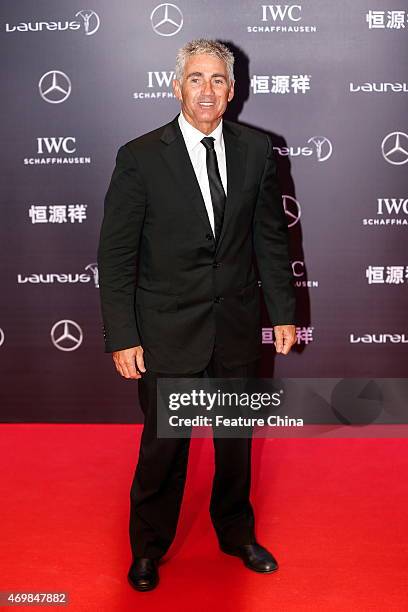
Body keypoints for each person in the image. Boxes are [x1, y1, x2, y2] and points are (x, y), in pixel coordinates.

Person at [97, 38, 297, 592]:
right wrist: (122, 335)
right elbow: (115, 255)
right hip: (165, 332)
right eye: (195, 78)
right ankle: (147, 547)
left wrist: (282, 311)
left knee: (235, 441)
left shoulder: (258, 151)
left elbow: (271, 241)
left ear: (232, 91)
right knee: (165, 447)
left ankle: (236, 534)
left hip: (234, 326)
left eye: (217, 80)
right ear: (175, 85)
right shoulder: (139, 156)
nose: (206, 90)